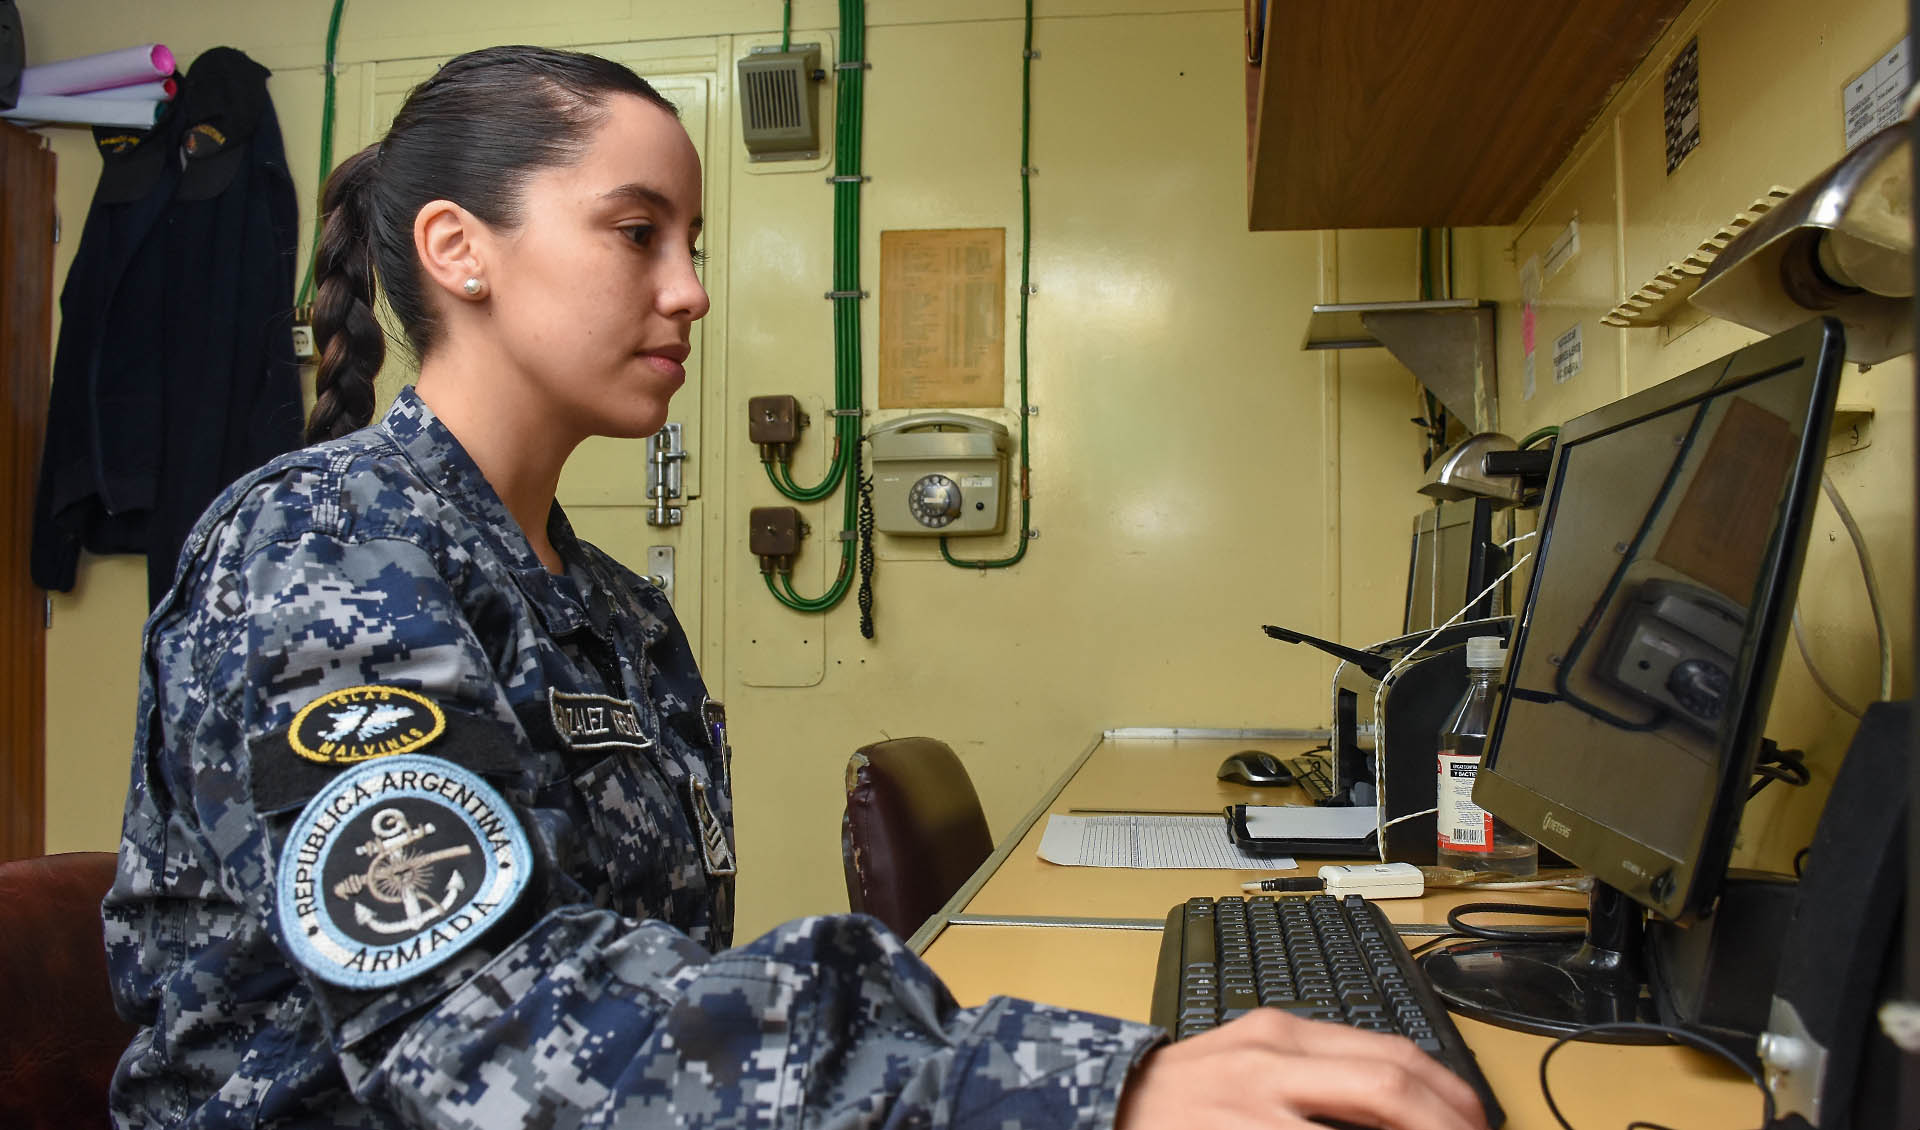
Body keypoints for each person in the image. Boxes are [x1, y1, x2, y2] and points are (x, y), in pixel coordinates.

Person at [101, 45, 1491, 1130]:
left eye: (691, 241)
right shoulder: (320, 550)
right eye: (638, 232)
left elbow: (638, 993)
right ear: (459, 250)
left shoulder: (612, 608)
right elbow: (493, 1031)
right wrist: (1072, 1085)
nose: (693, 288)